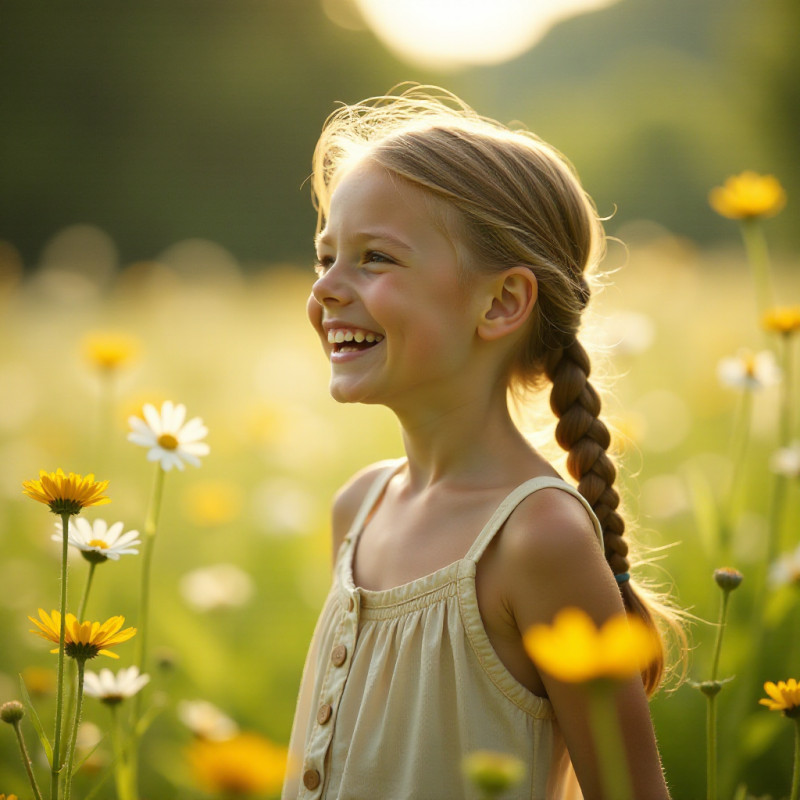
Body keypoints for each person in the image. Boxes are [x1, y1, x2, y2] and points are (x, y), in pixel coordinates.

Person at [283, 84, 682, 800]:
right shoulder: (359, 507)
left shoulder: (539, 540)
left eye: (375, 258)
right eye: (325, 258)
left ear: (500, 303)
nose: (327, 291)